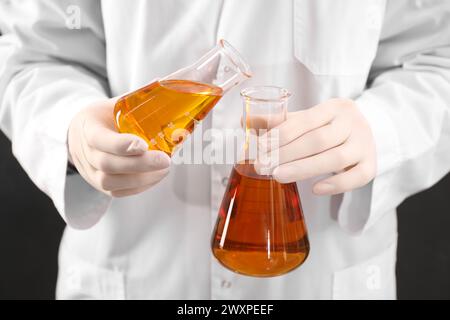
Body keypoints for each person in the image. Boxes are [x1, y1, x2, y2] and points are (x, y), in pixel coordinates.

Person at [0, 0, 449, 300]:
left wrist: (382, 129)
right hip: (136, 269)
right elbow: (34, 53)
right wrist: (71, 125)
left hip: (322, 279)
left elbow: (437, 54)